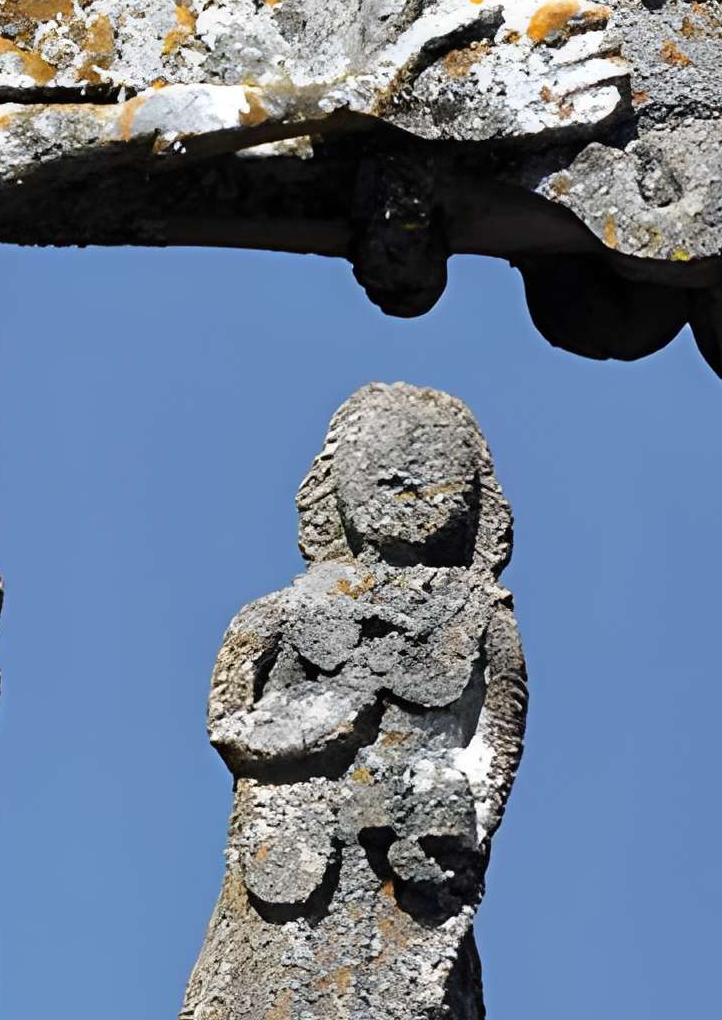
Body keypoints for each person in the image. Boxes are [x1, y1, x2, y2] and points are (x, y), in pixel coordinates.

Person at [181, 385, 525, 1020]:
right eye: (379, 466)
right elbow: (228, 720)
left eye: (434, 472)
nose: (404, 481)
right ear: (333, 486)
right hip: (286, 856)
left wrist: (458, 809)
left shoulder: (477, 616)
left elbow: (498, 736)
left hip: (418, 859)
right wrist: (320, 718)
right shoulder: (279, 614)